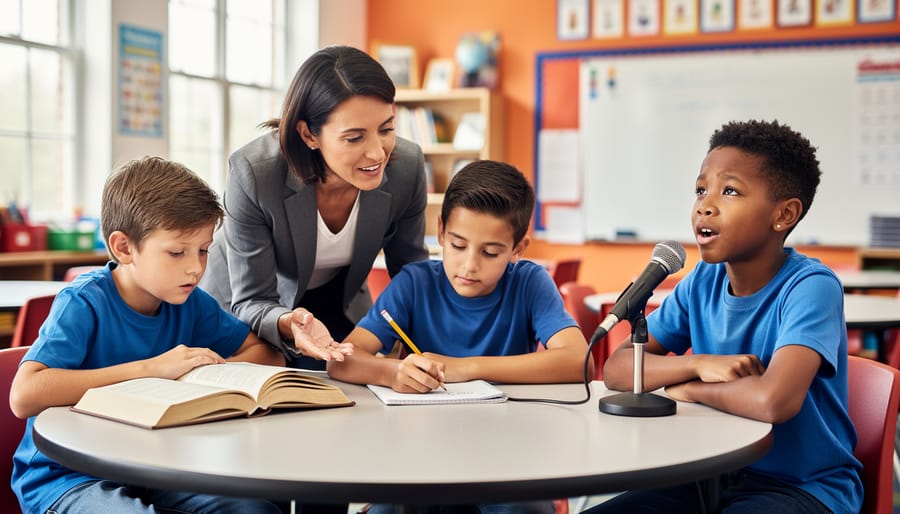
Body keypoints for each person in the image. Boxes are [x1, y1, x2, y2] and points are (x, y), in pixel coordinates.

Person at [586, 120, 862, 514]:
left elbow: (774, 401)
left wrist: (690, 388)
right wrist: (701, 364)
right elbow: (617, 369)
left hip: (802, 489)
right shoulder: (703, 280)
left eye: (729, 191)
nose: (705, 205)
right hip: (710, 475)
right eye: (701, 190)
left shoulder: (811, 287)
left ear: (784, 215)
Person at [9, 156, 288, 514]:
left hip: (156, 468)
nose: (195, 267)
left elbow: (266, 353)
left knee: (253, 510)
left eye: (203, 250)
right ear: (124, 248)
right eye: (176, 252)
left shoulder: (190, 302)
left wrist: (200, 376)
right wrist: (150, 370)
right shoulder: (84, 302)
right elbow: (25, 394)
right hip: (67, 478)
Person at [328, 160, 590, 514]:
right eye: (458, 245)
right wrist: (392, 372)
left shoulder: (528, 282)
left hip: (507, 456)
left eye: (490, 252)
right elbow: (342, 360)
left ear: (518, 248)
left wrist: (466, 368)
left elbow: (578, 361)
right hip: (418, 454)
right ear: (440, 230)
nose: (469, 265)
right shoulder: (415, 283)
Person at [200, 45, 429, 371]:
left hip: (339, 302)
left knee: (350, 395)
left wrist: (421, 340)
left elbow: (411, 271)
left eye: (387, 129)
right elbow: (252, 299)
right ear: (309, 134)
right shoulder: (255, 172)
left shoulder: (406, 167)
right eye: (354, 138)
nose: (378, 153)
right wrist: (289, 321)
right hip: (253, 308)